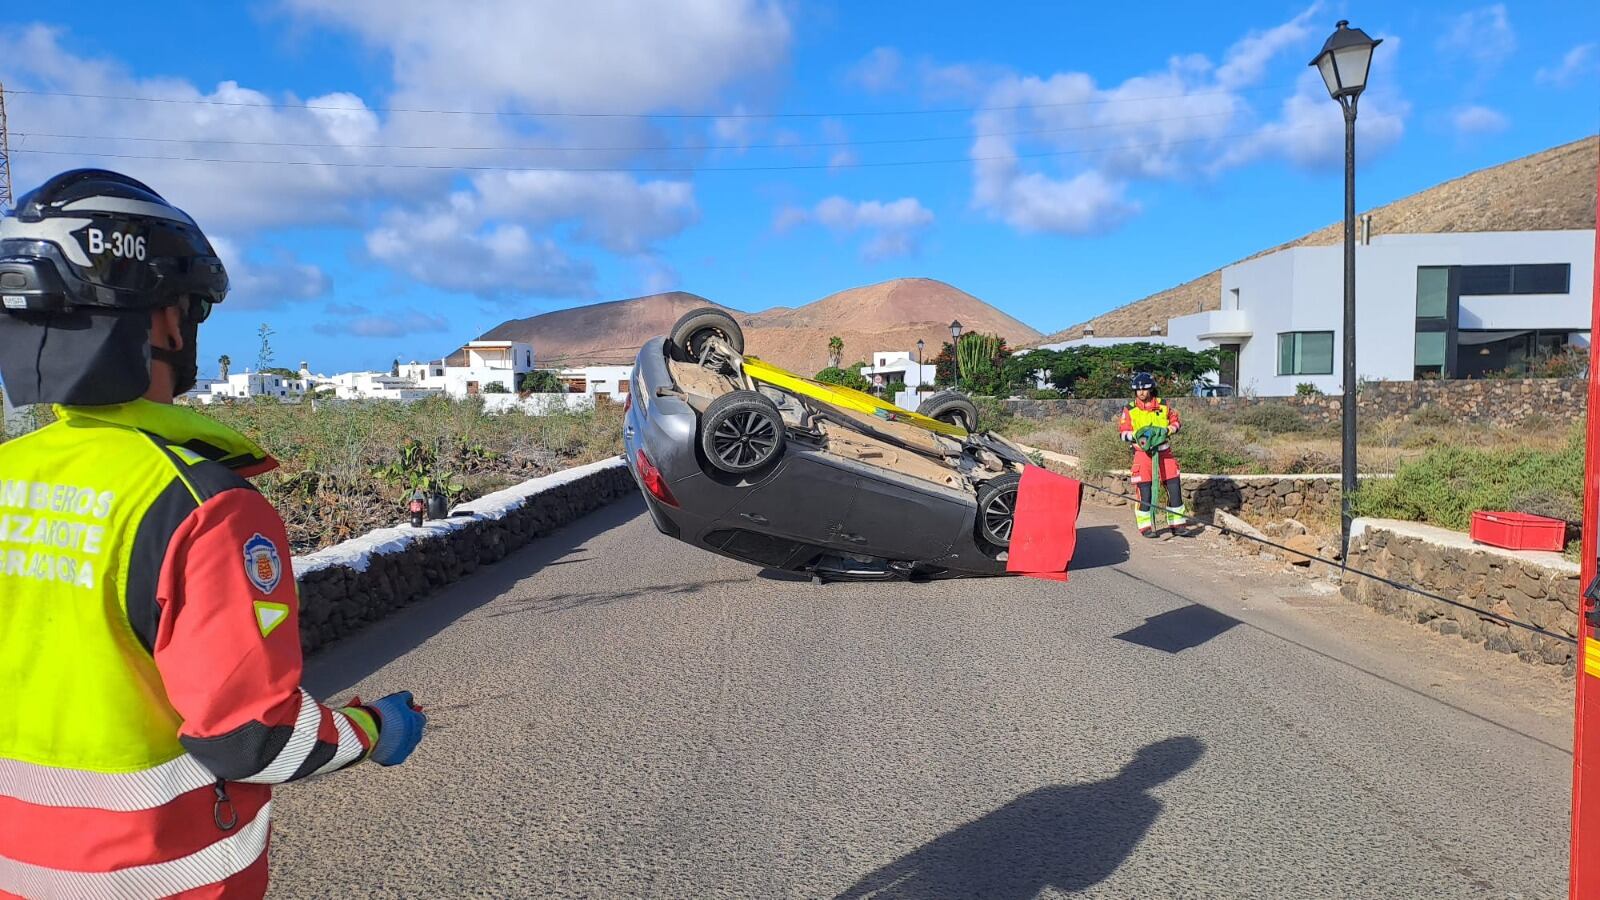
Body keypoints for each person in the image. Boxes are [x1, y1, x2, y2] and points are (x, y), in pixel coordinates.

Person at [0, 170, 426, 898]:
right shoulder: (202, 505)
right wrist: (372, 729)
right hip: (159, 878)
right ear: (166, 321)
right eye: (191, 308)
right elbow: (251, 737)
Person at [1117, 371, 1189, 538]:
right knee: (1145, 493)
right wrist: (1136, 436)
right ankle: (1146, 527)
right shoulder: (1130, 409)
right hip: (1142, 455)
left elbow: (1176, 422)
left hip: (1164, 453)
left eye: (1144, 389)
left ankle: (1178, 525)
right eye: (1138, 390)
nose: (1141, 393)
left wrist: (1170, 429)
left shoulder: (1163, 405)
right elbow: (1123, 433)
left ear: (1151, 389)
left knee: (1174, 489)